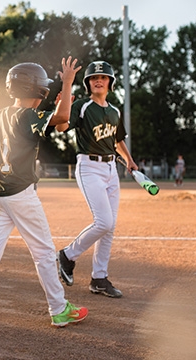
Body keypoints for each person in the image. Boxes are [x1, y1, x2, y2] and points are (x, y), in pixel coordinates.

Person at [0, 57, 87, 333]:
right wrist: (68, 83)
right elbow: (61, 119)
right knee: (45, 253)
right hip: (21, 195)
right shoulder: (27, 117)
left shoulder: (0, 115)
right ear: (37, 89)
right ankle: (59, 310)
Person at [56, 60, 138, 299]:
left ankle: (99, 279)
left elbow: (117, 139)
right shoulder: (82, 106)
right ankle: (67, 255)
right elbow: (61, 128)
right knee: (103, 222)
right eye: (93, 78)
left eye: (103, 77)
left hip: (112, 169)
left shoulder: (114, 111)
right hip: (89, 167)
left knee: (110, 227)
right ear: (89, 84)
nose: (98, 80)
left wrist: (129, 160)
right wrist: (62, 104)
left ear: (110, 83)